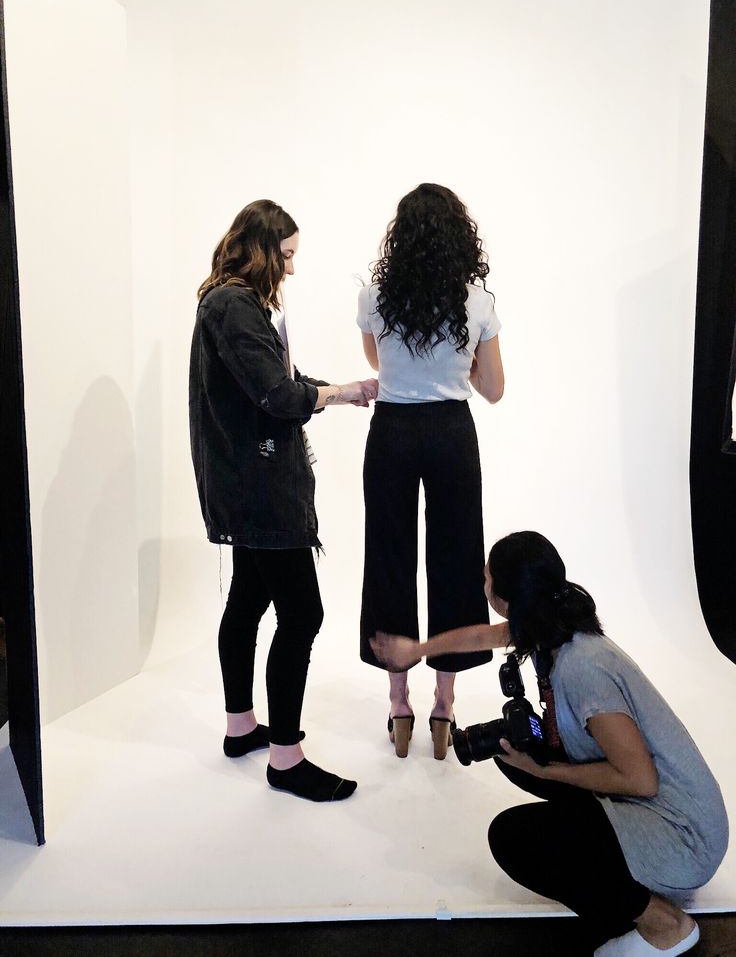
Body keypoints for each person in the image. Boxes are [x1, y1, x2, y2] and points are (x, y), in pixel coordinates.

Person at [371, 531, 728, 955]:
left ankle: (664, 925)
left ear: (504, 597)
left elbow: (641, 780)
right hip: (661, 809)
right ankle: (607, 853)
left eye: (486, 578)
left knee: (514, 839)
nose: (481, 582)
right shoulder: (549, 623)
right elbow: (482, 637)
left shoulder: (583, 669)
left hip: (684, 837)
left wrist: (544, 771)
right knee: (508, 745)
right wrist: (418, 650)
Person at [190, 199, 377, 802]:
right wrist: (342, 391)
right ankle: (286, 760)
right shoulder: (235, 306)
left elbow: (273, 380)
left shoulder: (228, 304)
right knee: (303, 615)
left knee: (247, 600)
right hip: (261, 489)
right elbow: (275, 395)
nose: (292, 270)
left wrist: (340, 393)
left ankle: (241, 728)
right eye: (288, 255)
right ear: (264, 248)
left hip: (246, 484)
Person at [358, 182, 505, 760]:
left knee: (389, 556)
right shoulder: (477, 301)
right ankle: (444, 705)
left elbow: (378, 361)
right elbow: (493, 389)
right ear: (458, 236)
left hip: (392, 432)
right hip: (450, 433)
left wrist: (414, 367)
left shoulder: (374, 294)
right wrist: (457, 361)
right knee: (456, 560)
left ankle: (399, 702)